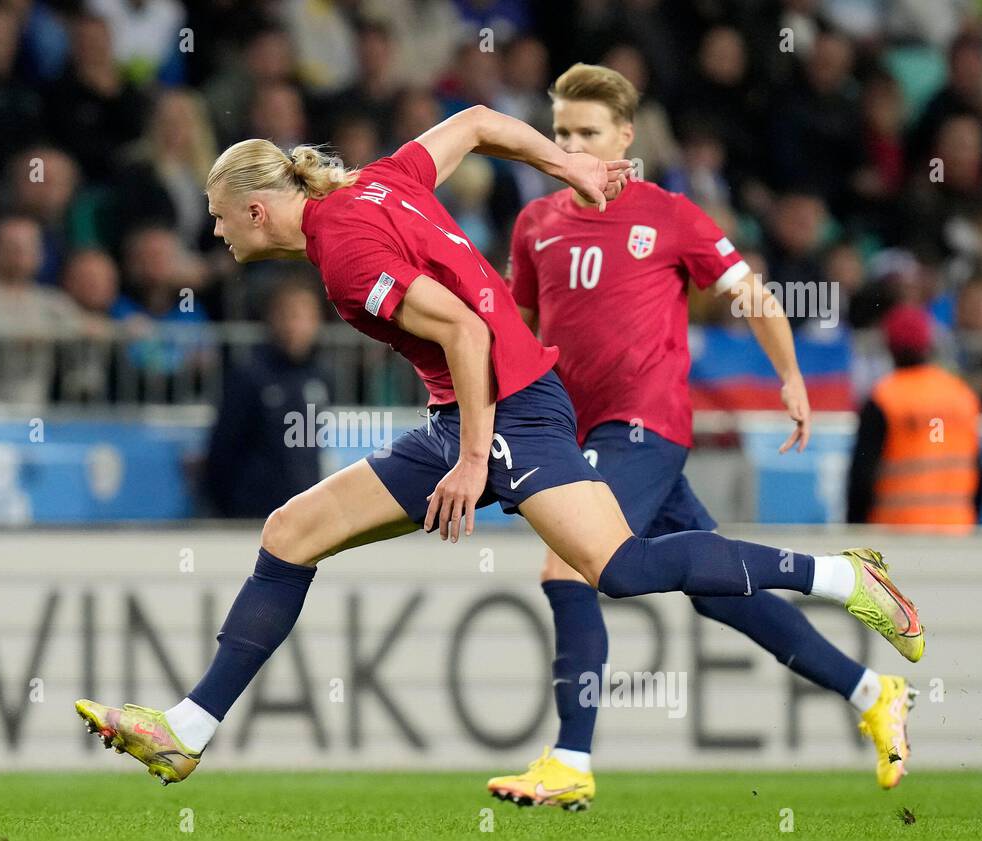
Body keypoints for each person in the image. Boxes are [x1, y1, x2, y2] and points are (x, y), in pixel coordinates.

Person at [74, 104, 924, 789]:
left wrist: (476, 459)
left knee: (621, 569)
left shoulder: (341, 250)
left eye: (221, 220)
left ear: (256, 208)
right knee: (289, 534)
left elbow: (464, 331)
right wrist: (573, 167)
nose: (218, 235)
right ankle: (188, 730)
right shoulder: (377, 184)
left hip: (508, 413)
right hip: (468, 417)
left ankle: (848, 577)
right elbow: (478, 119)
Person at [488, 63, 918, 812]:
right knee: (716, 591)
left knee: (567, 568)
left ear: (625, 137)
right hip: (574, 434)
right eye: (560, 134)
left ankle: (570, 760)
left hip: (644, 424)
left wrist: (788, 375)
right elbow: (522, 327)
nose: (571, 146)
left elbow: (749, 291)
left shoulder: (671, 216)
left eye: (587, 133)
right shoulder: (537, 224)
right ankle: (871, 689)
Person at [847, 303, 982, 529]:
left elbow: (862, 477)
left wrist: (854, 531)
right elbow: (978, 471)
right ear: (929, 346)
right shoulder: (963, 395)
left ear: (889, 347)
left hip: (895, 531)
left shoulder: (884, 398)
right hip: (957, 530)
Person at [204, 278, 330, 518]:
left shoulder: (320, 376)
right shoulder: (249, 375)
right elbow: (222, 449)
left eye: (303, 316)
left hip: (303, 516)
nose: (294, 326)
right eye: (287, 315)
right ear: (271, 318)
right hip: (252, 516)